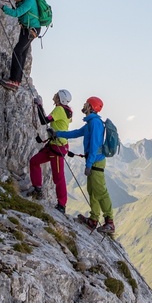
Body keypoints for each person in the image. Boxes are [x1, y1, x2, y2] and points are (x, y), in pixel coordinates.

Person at [51, 96, 115, 234]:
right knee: (92, 190)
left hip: (96, 161)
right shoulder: (90, 123)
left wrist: (89, 164)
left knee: (100, 191)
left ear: (91, 107)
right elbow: (75, 133)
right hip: (93, 161)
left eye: (87, 103)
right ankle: (93, 219)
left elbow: (94, 145)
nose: (84, 105)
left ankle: (109, 222)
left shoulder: (95, 123)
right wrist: (57, 134)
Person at [28, 90, 73, 212]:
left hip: (57, 147)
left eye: (56, 95)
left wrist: (39, 105)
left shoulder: (59, 109)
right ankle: (37, 188)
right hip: (55, 145)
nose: (54, 96)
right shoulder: (67, 110)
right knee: (34, 161)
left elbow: (44, 121)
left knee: (58, 177)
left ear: (60, 99)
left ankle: (62, 205)